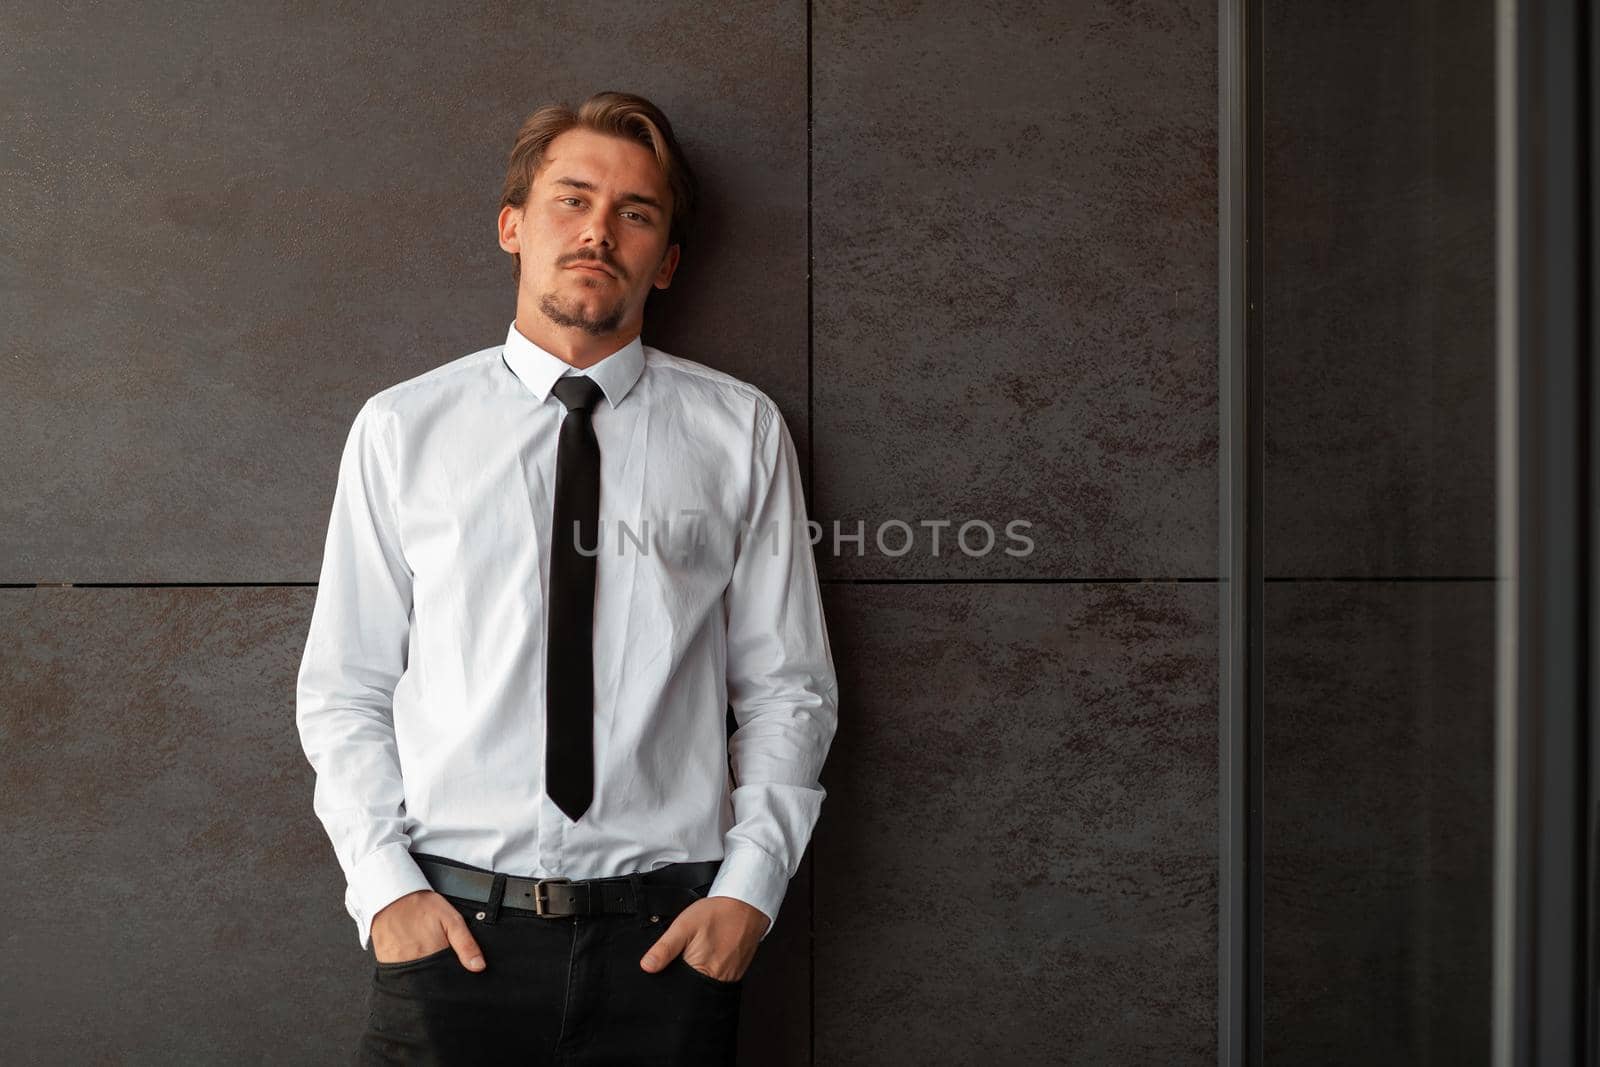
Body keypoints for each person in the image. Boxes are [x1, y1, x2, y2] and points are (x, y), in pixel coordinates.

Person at [295, 90, 839, 1065]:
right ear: (513, 224)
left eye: (636, 211)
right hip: (452, 943)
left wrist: (748, 893)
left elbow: (786, 687)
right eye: (571, 198)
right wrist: (385, 890)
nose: (599, 230)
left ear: (666, 257)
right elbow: (347, 687)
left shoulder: (739, 432)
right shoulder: (402, 430)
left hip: (667, 951)